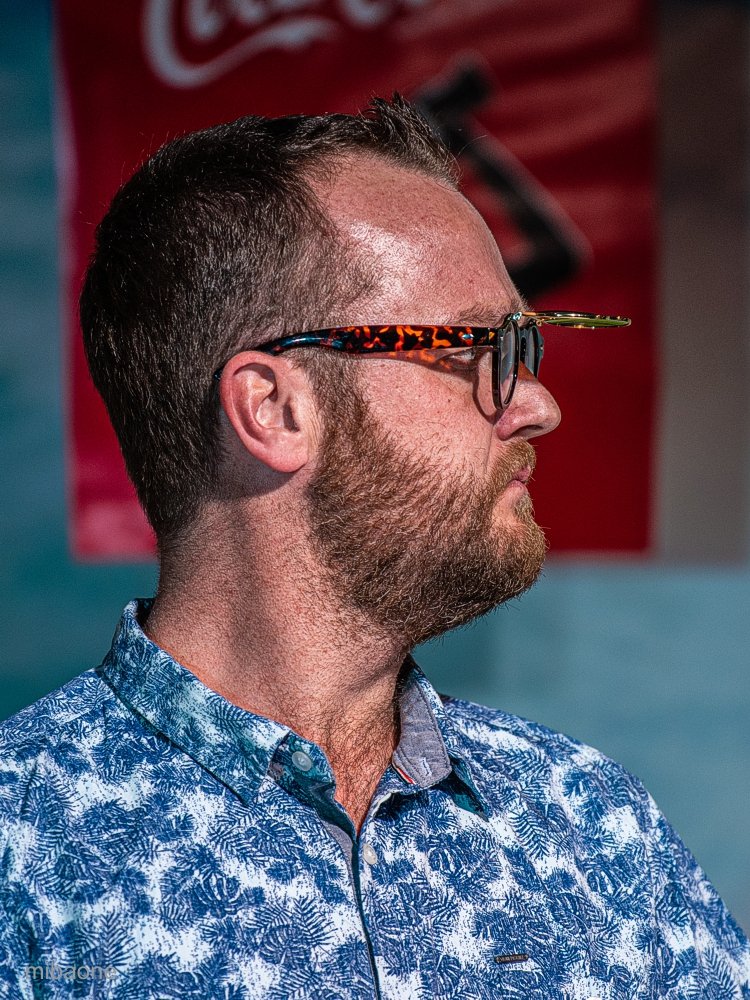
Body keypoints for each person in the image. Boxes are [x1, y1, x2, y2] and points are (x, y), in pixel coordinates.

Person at [0, 97, 748, 999]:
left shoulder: (592, 826)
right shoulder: (22, 856)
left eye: (529, 347)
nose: (537, 405)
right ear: (275, 409)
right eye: (478, 346)